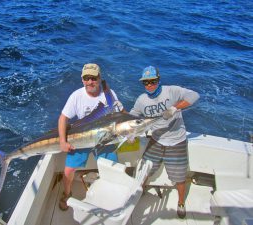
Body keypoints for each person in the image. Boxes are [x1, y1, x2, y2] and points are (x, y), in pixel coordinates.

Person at [130, 66, 199, 219]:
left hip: (177, 141)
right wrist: (129, 130)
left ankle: (181, 202)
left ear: (158, 80)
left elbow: (194, 95)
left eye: (153, 81)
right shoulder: (141, 100)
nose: (149, 85)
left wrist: (175, 107)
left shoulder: (171, 91)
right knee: (144, 171)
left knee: (179, 177)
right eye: (146, 82)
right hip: (156, 140)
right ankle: (138, 193)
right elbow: (133, 115)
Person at [58, 63, 124, 211]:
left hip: (105, 140)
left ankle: (111, 194)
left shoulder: (109, 94)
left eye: (93, 78)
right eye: (86, 78)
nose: (90, 82)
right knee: (68, 170)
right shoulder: (76, 96)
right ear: (82, 80)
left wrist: (131, 131)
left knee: (114, 168)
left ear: (99, 78)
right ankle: (66, 193)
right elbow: (63, 118)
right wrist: (63, 141)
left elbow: (122, 113)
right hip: (83, 140)